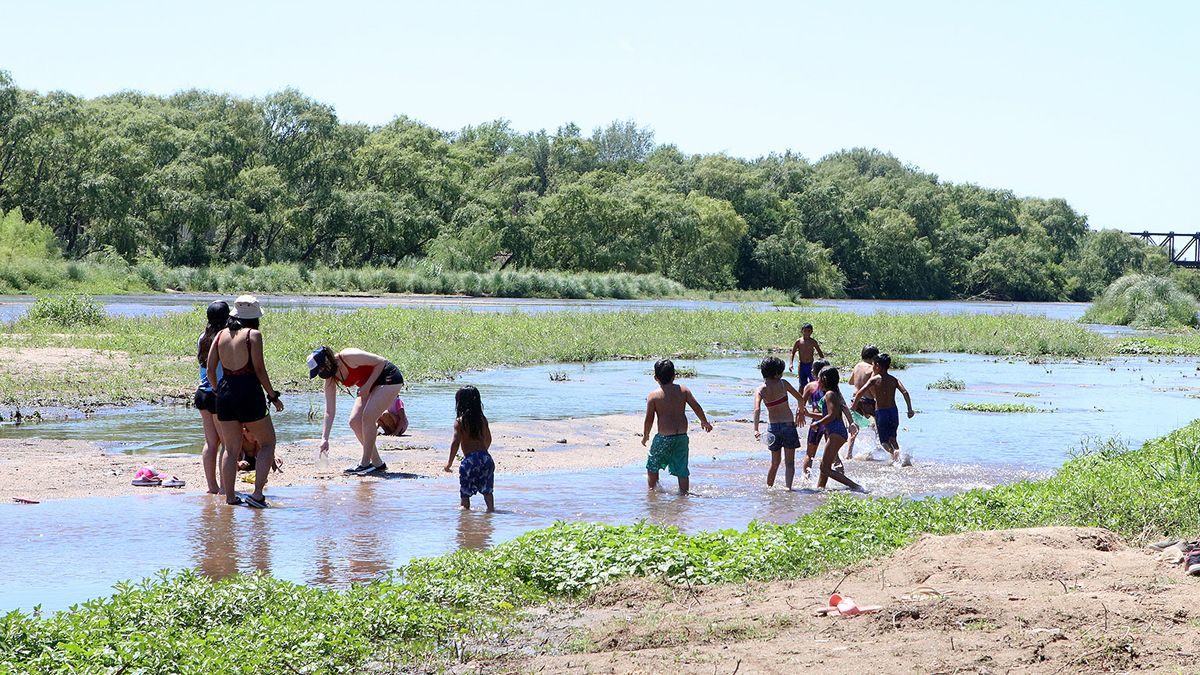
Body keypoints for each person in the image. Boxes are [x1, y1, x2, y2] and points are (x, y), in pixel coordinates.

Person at [207, 295, 283, 508]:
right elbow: (259, 369)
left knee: (231, 449)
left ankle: (229, 497)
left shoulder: (220, 334)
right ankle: (257, 495)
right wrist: (273, 395)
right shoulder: (253, 335)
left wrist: (217, 389)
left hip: (225, 393)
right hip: (249, 392)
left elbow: (211, 369)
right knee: (267, 443)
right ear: (255, 317)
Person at [308, 346, 405, 476]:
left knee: (368, 417)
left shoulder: (348, 356)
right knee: (354, 421)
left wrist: (368, 385)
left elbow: (381, 362)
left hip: (389, 377)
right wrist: (324, 439)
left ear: (327, 362)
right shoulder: (330, 379)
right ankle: (377, 463)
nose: (320, 373)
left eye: (320, 368)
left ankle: (364, 464)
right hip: (369, 386)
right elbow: (329, 411)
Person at [641, 359, 713, 494]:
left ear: (655, 378)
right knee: (682, 469)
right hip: (681, 438)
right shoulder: (684, 390)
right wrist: (704, 421)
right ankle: (683, 493)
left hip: (664, 439)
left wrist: (646, 435)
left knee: (652, 465)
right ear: (674, 376)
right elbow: (696, 407)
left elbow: (649, 419)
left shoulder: (653, 396)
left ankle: (653, 491)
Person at [805, 367, 866, 492]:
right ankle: (820, 488)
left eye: (819, 378)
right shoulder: (834, 393)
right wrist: (809, 415)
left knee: (825, 468)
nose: (817, 380)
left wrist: (817, 423)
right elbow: (828, 414)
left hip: (836, 433)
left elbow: (831, 416)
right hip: (837, 433)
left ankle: (855, 486)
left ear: (824, 380)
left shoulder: (829, 394)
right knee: (824, 465)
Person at [752, 356, 807, 490]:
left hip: (773, 428)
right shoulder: (783, 383)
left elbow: (757, 409)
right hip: (788, 425)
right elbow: (800, 399)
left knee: (774, 463)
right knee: (789, 463)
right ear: (777, 373)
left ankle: (769, 488)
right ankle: (788, 488)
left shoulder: (760, 390)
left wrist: (756, 428)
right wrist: (800, 412)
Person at [851, 353, 914, 464]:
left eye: (873, 364)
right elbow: (905, 392)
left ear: (877, 366)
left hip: (881, 412)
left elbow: (860, 392)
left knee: (884, 441)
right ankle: (898, 456)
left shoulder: (875, 379)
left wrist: (854, 406)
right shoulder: (894, 379)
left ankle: (893, 453)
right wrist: (910, 409)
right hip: (893, 412)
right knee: (893, 438)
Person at [195, 300, 229, 495]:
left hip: (202, 393)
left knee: (210, 442)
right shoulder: (223, 338)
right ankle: (225, 488)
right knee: (227, 443)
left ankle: (212, 487)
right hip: (218, 392)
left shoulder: (202, 337)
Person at [443, 385, 495, 511]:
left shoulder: (460, 422)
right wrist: (483, 453)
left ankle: (465, 518)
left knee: (465, 495)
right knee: (488, 491)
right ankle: (491, 511)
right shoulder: (482, 419)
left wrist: (449, 463)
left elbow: (455, 443)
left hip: (470, 461)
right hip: (486, 458)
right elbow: (489, 439)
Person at [847, 345, 880, 459]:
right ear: (874, 358)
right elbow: (870, 386)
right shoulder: (871, 369)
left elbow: (850, 382)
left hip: (855, 399)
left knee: (854, 429)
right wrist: (876, 398)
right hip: (868, 401)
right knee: (878, 422)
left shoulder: (857, 366)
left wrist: (859, 380)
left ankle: (849, 454)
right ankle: (878, 445)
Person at [799, 359, 830, 478]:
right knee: (833, 455)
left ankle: (806, 480)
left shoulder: (810, 386)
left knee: (810, 454)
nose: (811, 371)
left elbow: (801, 403)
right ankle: (839, 475)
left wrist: (801, 414)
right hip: (829, 421)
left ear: (816, 372)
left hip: (817, 422)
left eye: (812, 369)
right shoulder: (833, 387)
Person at [788, 323, 825, 389]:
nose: (807, 333)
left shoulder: (813, 342)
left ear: (811, 332)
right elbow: (792, 353)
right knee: (802, 384)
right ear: (802, 331)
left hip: (811, 365)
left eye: (809, 331)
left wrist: (824, 364)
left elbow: (820, 353)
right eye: (805, 331)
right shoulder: (798, 341)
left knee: (813, 383)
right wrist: (791, 364)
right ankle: (801, 399)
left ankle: (812, 398)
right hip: (802, 365)